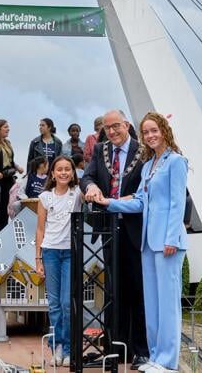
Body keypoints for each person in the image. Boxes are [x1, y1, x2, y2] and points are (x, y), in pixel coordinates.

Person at [89, 112, 187, 373]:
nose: (150, 135)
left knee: (167, 305)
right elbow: (140, 202)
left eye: (154, 130)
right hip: (147, 243)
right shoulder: (148, 166)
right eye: (146, 132)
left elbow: (178, 203)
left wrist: (172, 239)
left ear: (164, 131)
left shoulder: (176, 162)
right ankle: (155, 357)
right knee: (153, 305)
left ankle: (168, 361)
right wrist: (108, 202)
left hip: (166, 243)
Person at [81, 109, 148, 367]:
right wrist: (92, 186)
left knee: (137, 291)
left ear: (127, 125)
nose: (112, 132)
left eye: (116, 126)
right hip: (109, 229)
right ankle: (114, 349)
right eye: (108, 128)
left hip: (134, 228)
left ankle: (141, 349)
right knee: (112, 293)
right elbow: (87, 176)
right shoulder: (100, 150)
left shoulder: (143, 151)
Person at [34, 156, 82, 367]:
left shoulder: (78, 194)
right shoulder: (45, 197)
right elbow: (40, 228)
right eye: (59, 169)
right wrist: (38, 259)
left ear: (72, 172)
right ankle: (57, 347)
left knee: (66, 302)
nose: (63, 173)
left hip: (70, 252)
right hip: (51, 252)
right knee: (54, 304)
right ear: (52, 174)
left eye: (67, 169)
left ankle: (70, 347)